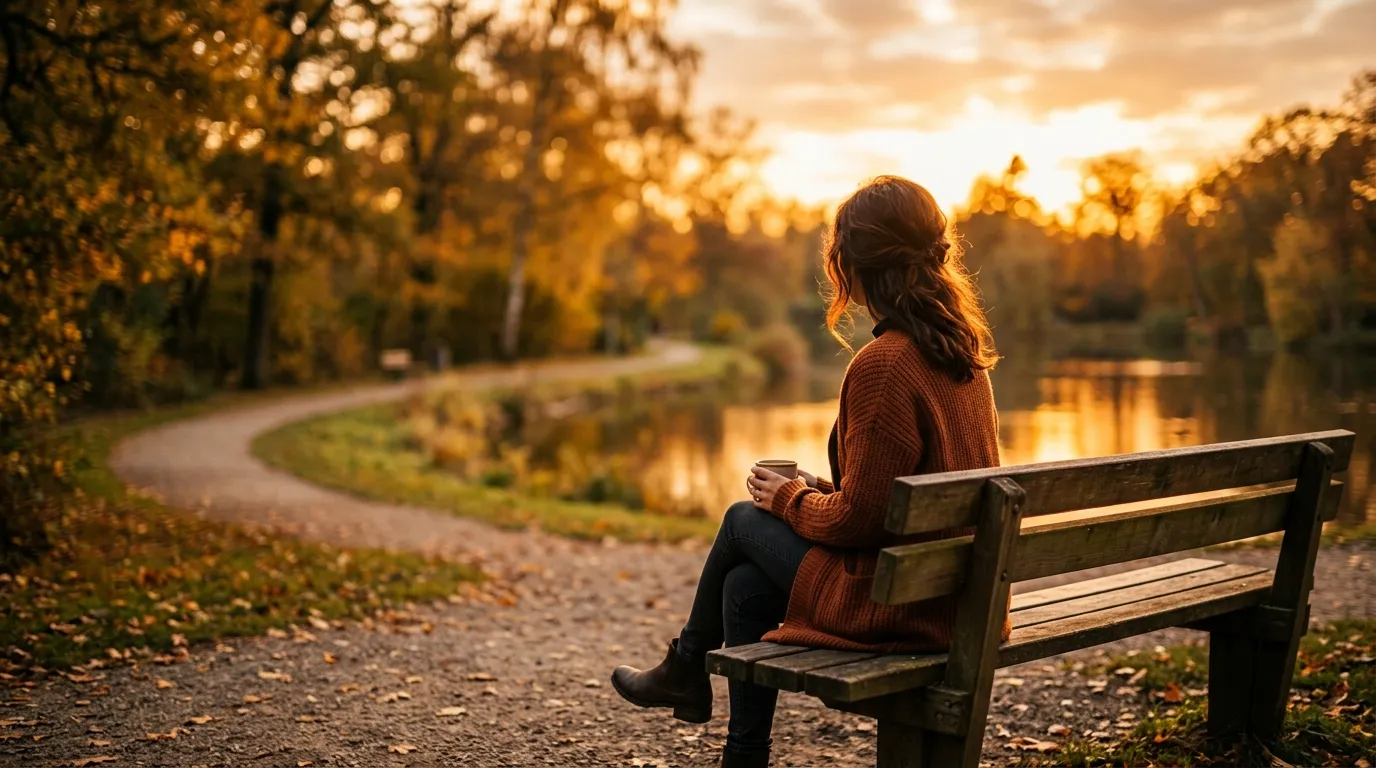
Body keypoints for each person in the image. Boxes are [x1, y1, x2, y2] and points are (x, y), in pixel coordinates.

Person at [610, 175, 1003, 768]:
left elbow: (860, 522)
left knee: (743, 519)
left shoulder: (885, 363)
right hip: (955, 598)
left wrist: (789, 499)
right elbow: (887, 499)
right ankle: (736, 746)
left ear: (854, 264)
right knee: (743, 588)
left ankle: (686, 665)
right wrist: (814, 492)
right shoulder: (962, 354)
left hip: (905, 609)